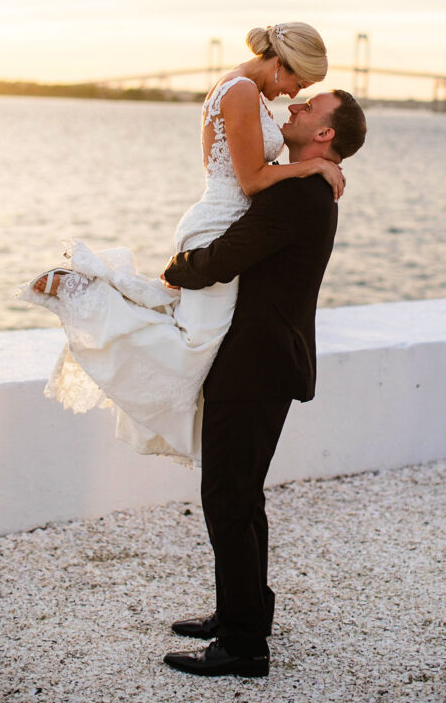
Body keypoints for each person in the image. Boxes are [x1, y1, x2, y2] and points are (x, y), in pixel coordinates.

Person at [19, 23, 344, 464]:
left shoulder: (247, 90)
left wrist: (316, 161)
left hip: (226, 222)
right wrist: (312, 168)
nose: (293, 94)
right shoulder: (243, 90)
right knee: (196, 342)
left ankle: (109, 288)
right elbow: (251, 181)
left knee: (193, 327)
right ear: (281, 64)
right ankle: (85, 294)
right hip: (219, 222)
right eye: (297, 82)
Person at [162, 89, 367, 678]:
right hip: (265, 359)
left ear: (326, 135)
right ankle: (242, 615)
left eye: (311, 109)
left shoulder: (303, 192)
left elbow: (228, 256)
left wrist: (176, 268)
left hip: (257, 363)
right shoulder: (303, 181)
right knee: (240, 496)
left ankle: (245, 647)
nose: (296, 107)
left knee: (227, 499)